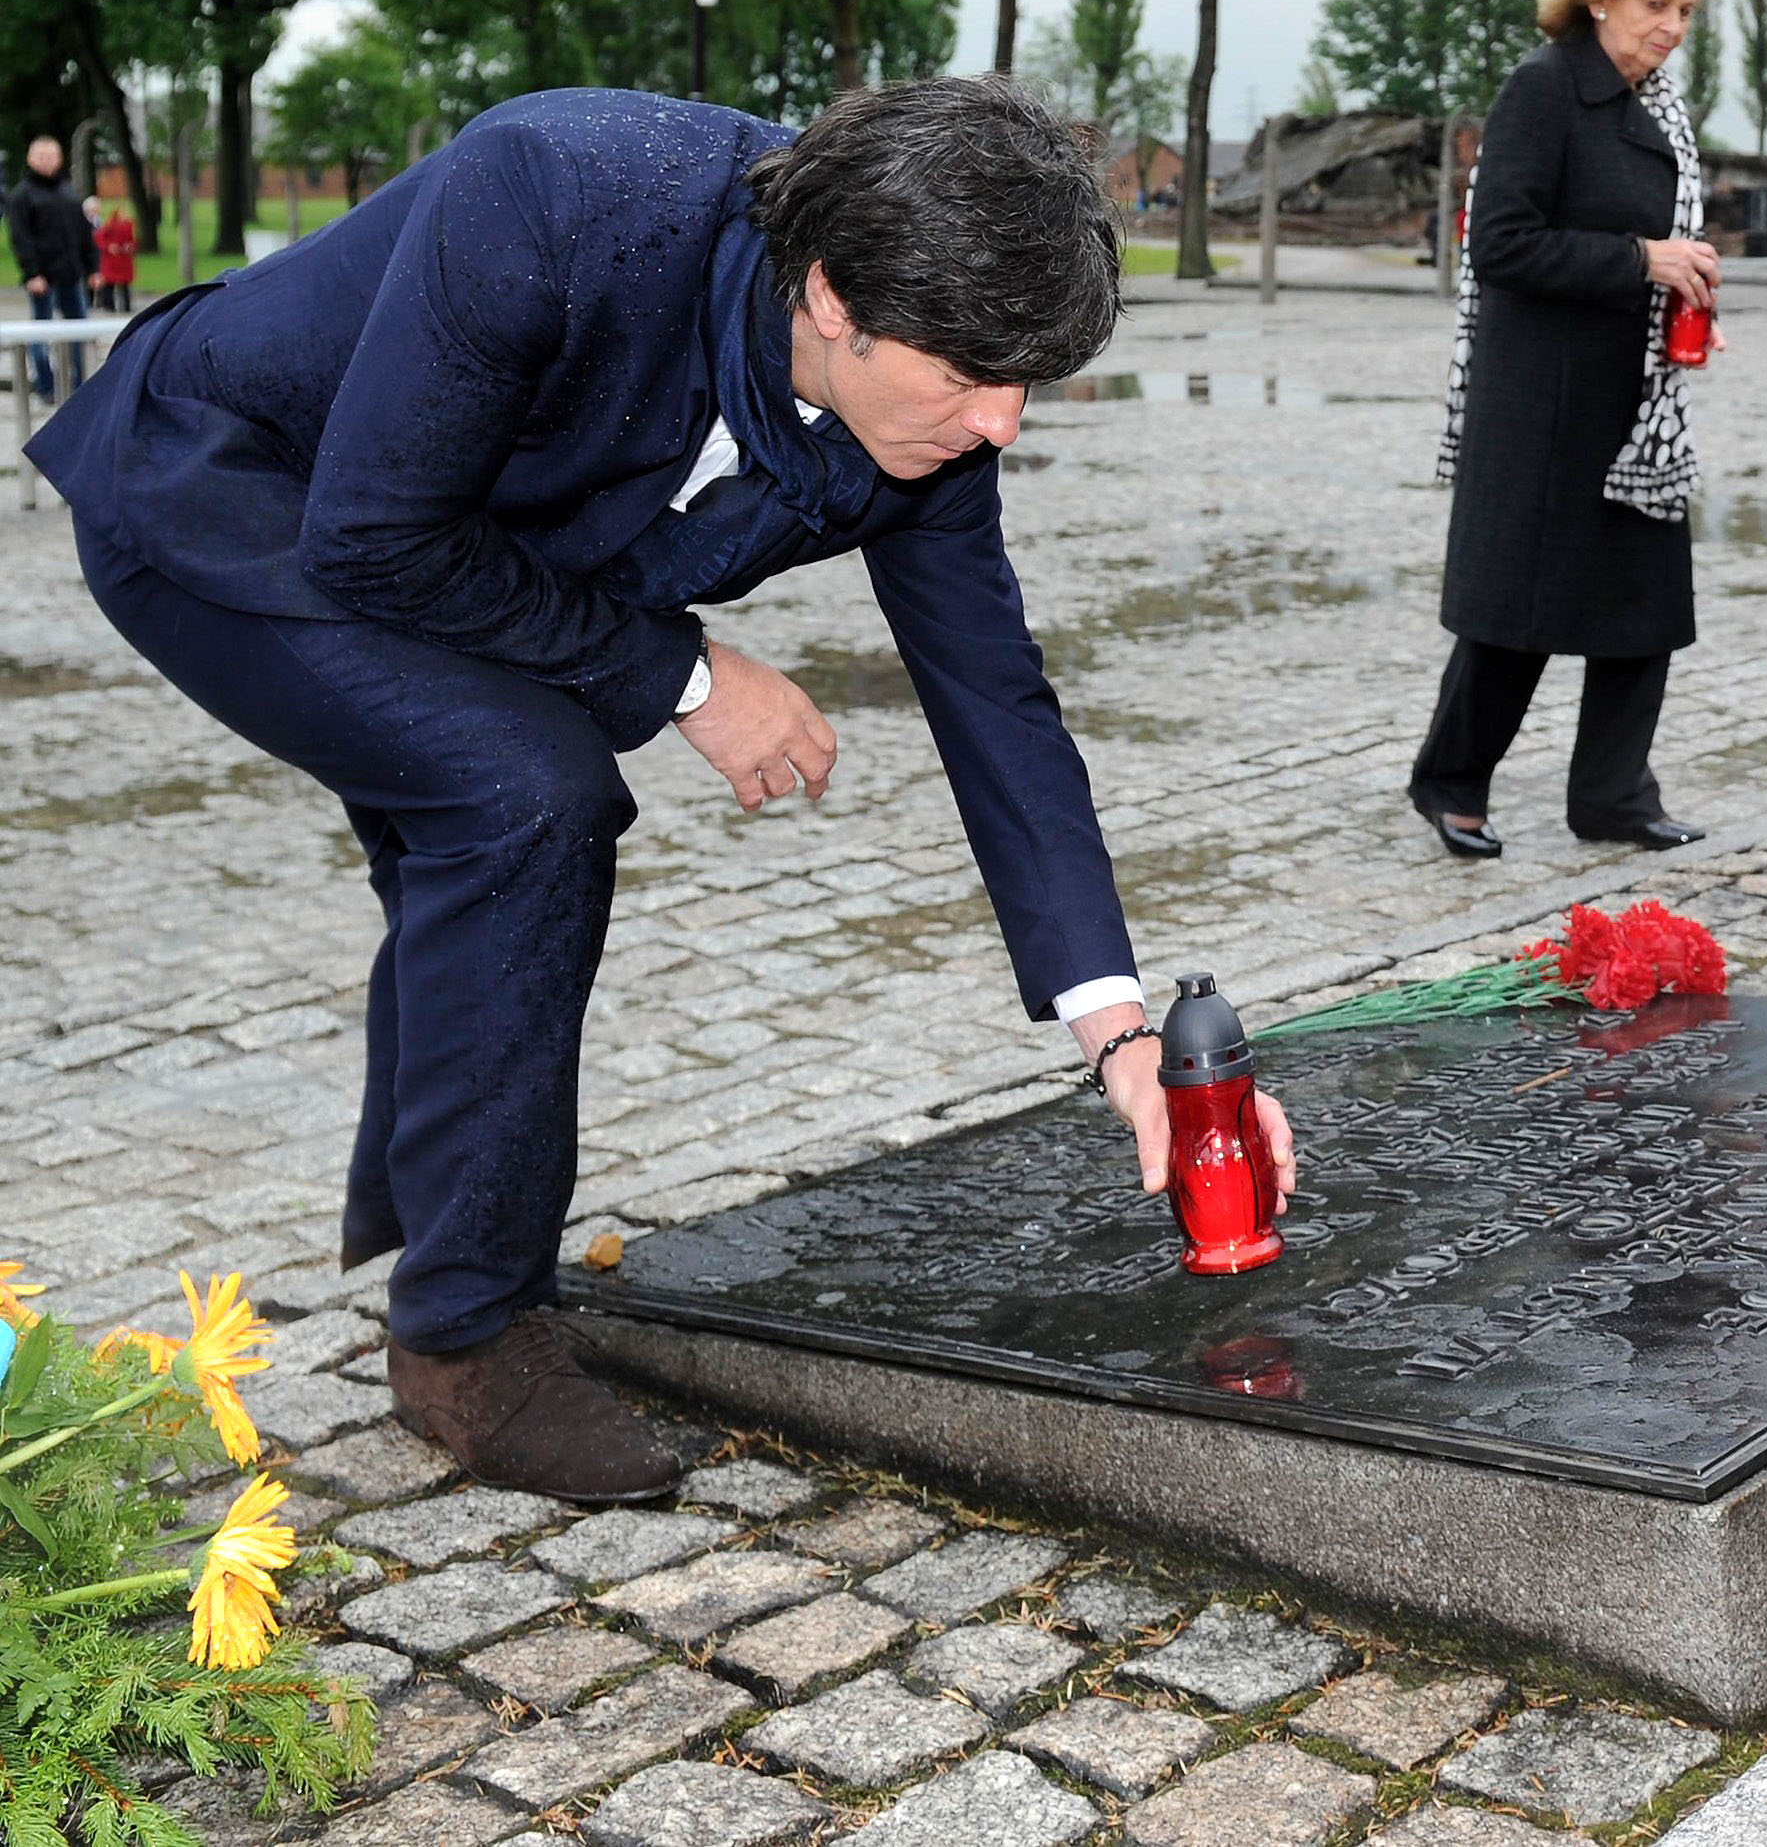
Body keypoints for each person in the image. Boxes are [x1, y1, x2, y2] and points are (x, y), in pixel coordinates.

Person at [27, 75, 1286, 1499]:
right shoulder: (562, 195)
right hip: (232, 488)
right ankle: (464, 1337)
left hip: (459, 538)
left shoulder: (928, 392)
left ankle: (430, 1205)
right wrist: (687, 676)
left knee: (485, 809)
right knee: (524, 795)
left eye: (1025, 383)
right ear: (829, 295)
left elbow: (996, 698)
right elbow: (377, 539)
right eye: (972, 376)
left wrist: (1127, 1043)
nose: (1001, 423)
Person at [1415, 0, 1722, 855]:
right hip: (1541, 401)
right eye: (1655, 3)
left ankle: (1612, 795)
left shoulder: (1658, 107)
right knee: (1517, 613)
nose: (1670, 25)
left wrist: (1680, 275)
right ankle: (1452, 781)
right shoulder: (1541, 90)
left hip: (1634, 408)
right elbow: (1501, 243)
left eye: (1686, 9)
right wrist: (1642, 260)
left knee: (1646, 610)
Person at [12, 135, 97, 401]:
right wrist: (32, 272)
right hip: (43, 277)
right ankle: (46, 385)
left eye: (52, 156)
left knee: (79, 331)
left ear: (60, 159)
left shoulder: (69, 193)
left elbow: (85, 233)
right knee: (42, 332)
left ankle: (80, 384)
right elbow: (20, 237)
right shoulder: (23, 195)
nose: (47, 161)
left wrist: (93, 268)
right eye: (42, 156)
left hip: (71, 274)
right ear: (30, 158)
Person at [90, 188, 135, 314]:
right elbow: (99, 238)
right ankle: (109, 305)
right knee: (109, 283)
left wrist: (130, 246)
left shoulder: (129, 226)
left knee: (124, 284)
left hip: (123, 259)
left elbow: (133, 240)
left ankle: (126, 306)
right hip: (112, 259)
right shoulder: (110, 225)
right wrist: (109, 246)